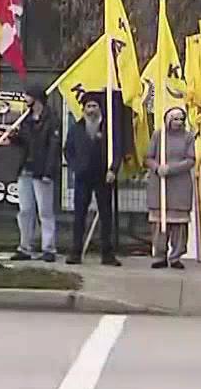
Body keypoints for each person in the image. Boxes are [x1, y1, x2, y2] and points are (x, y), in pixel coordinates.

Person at [63, 93, 124, 266]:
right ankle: (76, 252)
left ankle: (107, 254)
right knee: (79, 215)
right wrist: (75, 167)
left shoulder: (109, 128)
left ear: (99, 108)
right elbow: (68, 150)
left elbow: (118, 149)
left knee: (106, 216)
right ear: (83, 109)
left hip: (104, 177)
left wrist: (113, 169)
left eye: (94, 106)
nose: (91, 110)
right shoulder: (77, 128)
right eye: (88, 107)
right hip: (83, 177)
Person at [10, 82, 60, 263]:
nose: (25, 99)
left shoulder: (51, 120)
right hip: (25, 170)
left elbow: (54, 147)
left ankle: (49, 248)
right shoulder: (26, 119)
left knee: (45, 212)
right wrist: (13, 137)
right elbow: (23, 142)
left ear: (36, 98)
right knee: (25, 210)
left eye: (27, 96)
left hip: (41, 171)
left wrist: (48, 172)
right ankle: (25, 247)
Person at [144, 105, 197, 269]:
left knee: (179, 225)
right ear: (168, 120)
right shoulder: (158, 135)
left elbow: (191, 160)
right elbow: (148, 157)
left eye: (181, 119)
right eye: (175, 119)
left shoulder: (188, 137)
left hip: (180, 185)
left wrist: (171, 169)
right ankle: (160, 255)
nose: (178, 122)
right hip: (160, 184)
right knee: (159, 223)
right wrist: (157, 168)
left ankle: (176, 256)